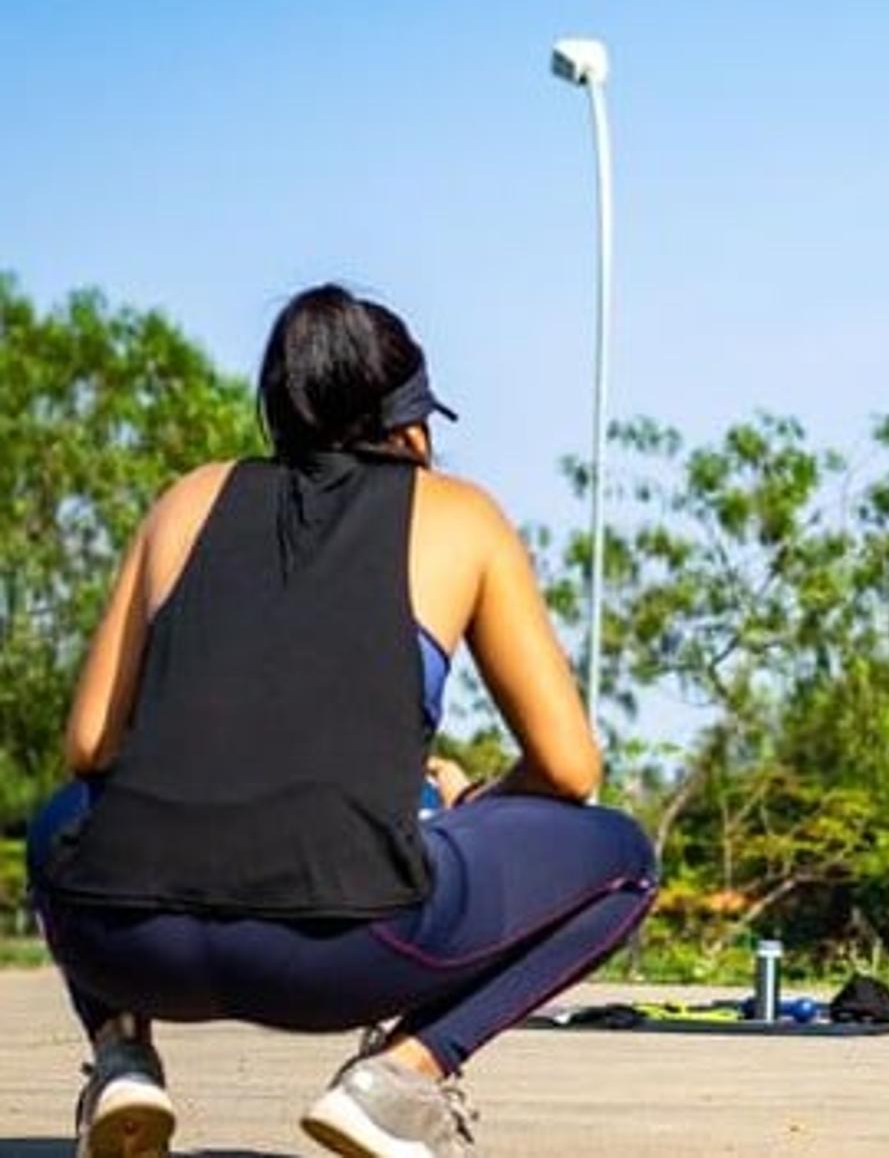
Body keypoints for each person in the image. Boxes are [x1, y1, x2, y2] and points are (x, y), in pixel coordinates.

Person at [25, 285, 658, 1158]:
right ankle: (403, 1078)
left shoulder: (187, 500)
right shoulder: (458, 514)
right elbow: (569, 766)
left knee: (65, 818)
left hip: (130, 944)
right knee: (624, 858)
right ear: (410, 424)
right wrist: (472, 805)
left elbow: (90, 744)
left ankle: (121, 1054)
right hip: (346, 952)